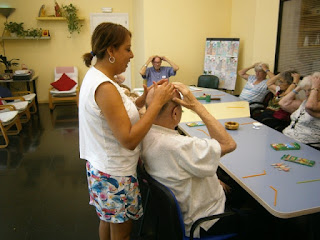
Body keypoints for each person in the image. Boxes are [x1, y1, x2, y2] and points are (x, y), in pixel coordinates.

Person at [79, 22, 175, 240]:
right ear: (111, 51)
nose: (132, 55)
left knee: (107, 220)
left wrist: (142, 99)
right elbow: (129, 139)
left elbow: (116, 113)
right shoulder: (105, 87)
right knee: (121, 235)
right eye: (127, 48)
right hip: (115, 173)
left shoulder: (98, 77)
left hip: (103, 167)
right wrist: (157, 104)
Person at [141, 82, 240, 238]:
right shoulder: (180, 146)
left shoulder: (143, 134)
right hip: (204, 221)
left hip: (180, 212)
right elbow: (229, 144)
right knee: (258, 213)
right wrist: (196, 105)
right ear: (175, 113)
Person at [279, 72, 320, 149]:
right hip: (288, 139)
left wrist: (315, 86)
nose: (307, 94)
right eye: (305, 91)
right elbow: (283, 103)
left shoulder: (312, 105)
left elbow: (310, 106)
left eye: (310, 90)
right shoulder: (304, 102)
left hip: (306, 146)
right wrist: (300, 86)